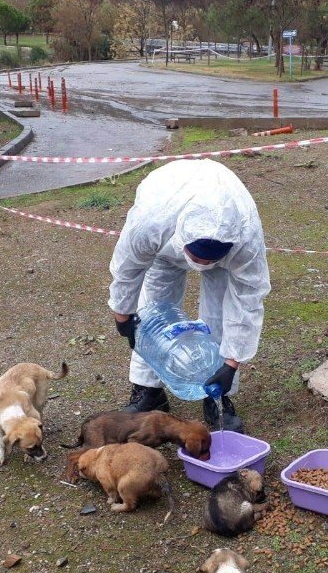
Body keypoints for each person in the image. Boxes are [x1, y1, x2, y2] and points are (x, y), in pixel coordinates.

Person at [108, 159, 271, 433]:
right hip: (166, 243)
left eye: (208, 261)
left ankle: (216, 395)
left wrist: (231, 363)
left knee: (219, 311)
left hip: (226, 254)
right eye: (196, 259)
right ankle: (148, 392)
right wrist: (123, 315)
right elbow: (128, 268)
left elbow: (248, 298)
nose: (200, 266)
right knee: (154, 308)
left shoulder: (245, 237)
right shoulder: (152, 221)